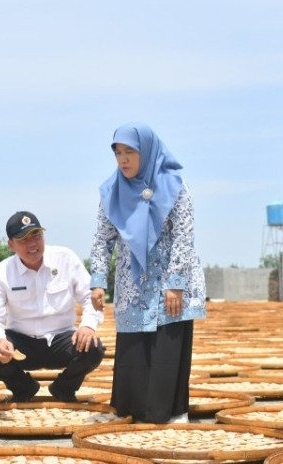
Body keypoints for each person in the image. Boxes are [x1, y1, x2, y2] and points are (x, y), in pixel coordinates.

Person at [90, 122, 207, 424]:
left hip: (170, 281)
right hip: (133, 283)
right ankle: (134, 411)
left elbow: (184, 235)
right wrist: (98, 281)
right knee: (134, 349)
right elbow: (103, 239)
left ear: (147, 151)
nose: (123, 159)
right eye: (118, 153)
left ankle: (173, 411)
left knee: (168, 347)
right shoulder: (111, 191)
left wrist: (175, 283)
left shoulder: (175, 186)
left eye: (130, 151)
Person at [0, 211, 104, 402]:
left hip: (62, 339)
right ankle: (23, 388)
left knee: (93, 347)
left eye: (36, 236)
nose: (32, 244)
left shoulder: (66, 258)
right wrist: (0, 341)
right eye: (23, 239)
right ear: (11, 245)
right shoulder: (1, 273)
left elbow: (89, 296)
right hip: (21, 344)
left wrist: (88, 326)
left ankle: (64, 388)